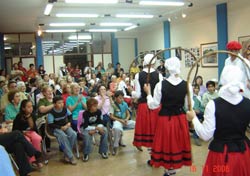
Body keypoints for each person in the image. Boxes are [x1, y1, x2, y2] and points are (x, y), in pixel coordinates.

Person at [187, 65, 250, 176]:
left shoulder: (213, 104)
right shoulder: (248, 103)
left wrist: (194, 119)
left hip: (221, 154)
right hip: (243, 153)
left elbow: (206, 135)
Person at [144, 57, 192, 176]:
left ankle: (169, 171)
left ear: (167, 68)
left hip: (165, 120)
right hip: (180, 119)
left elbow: (153, 105)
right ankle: (172, 171)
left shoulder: (161, 85)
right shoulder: (187, 85)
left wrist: (148, 94)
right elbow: (189, 105)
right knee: (176, 144)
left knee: (166, 145)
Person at [132, 53, 163, 151]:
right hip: (156, 105)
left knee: (145, 129)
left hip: (144, 106)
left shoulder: (138, 75)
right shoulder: (159, 75)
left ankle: (148, 149)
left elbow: (137, 95)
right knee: (155, 130)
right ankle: (154, 153)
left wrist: (131, 92)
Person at [12, 99, 43, 168]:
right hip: (21, 133)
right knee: (27, 141)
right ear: (23, 108)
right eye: (28, 107)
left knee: (37, 138)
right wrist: (24, 132)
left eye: (31, 106)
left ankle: (38, 159)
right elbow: (15, 130)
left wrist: (32, 129)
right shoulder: (19, 117)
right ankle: (31, 160)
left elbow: (34, 128)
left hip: (31, 132)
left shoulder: (33, 115)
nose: (31, 108)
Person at [48, 96, 77, 165]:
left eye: (62, 103)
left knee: (73, 134)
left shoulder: (65, 109)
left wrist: (69, 123)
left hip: (65, 125)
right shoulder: (51, 112)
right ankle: (70, 157)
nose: (61, 104)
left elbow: (70, 116)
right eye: (59, 103)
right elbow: (51, 124)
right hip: (56, 128)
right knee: (63, 136)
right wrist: (60, 127)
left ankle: (66, 154)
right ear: (54, 104)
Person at [110, 91, 135, 155]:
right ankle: (115, 146)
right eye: (120, 98)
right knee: (116, 128)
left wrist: (126, 119)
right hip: (117, 121)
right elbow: (111, 116)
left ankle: (137, 142)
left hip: (125, 121)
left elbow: (128, 114)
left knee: (136, 124)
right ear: (115, 98)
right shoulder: (113, 105)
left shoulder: (125, 104)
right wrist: (120, 120)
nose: (122, 99)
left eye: (122, 98)